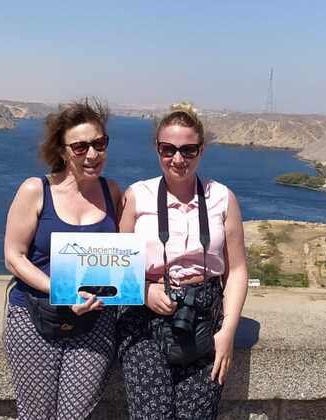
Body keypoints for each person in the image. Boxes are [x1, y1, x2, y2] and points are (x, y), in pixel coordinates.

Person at [117, 103, 247, 419]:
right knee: (152, 414)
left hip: (204, 317)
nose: (178, 159)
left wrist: (227, 332)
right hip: (144, 319)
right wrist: (145, 290)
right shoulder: (137, 195)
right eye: (168, 149)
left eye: (188, 150)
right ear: (157, 149)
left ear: (201, 150)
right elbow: (118, 264)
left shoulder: (222, 197)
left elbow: (237, 270)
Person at [3, 99, 121, 420]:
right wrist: (62, 290)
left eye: (99, 143)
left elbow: (121, 258)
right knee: (36, 415)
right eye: (80, 147)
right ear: (62, 150)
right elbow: (14, 257)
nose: (92, 154)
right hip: (33, 317)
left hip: (93, 323)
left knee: (76, 415)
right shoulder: (35, 190)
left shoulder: (113, 193)